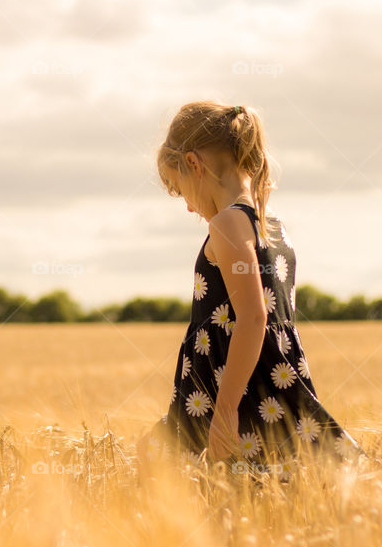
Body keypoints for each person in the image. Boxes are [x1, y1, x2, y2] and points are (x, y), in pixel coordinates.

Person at [138, 100, 364, 479]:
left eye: (181, 191)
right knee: (275, 486)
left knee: (180, 472)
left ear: (195, 164)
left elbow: (255, 317)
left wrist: (225, 411)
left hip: (234, 393)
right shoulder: (270, 224)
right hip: (262, 383)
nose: (190, 209)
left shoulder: (227, 223)